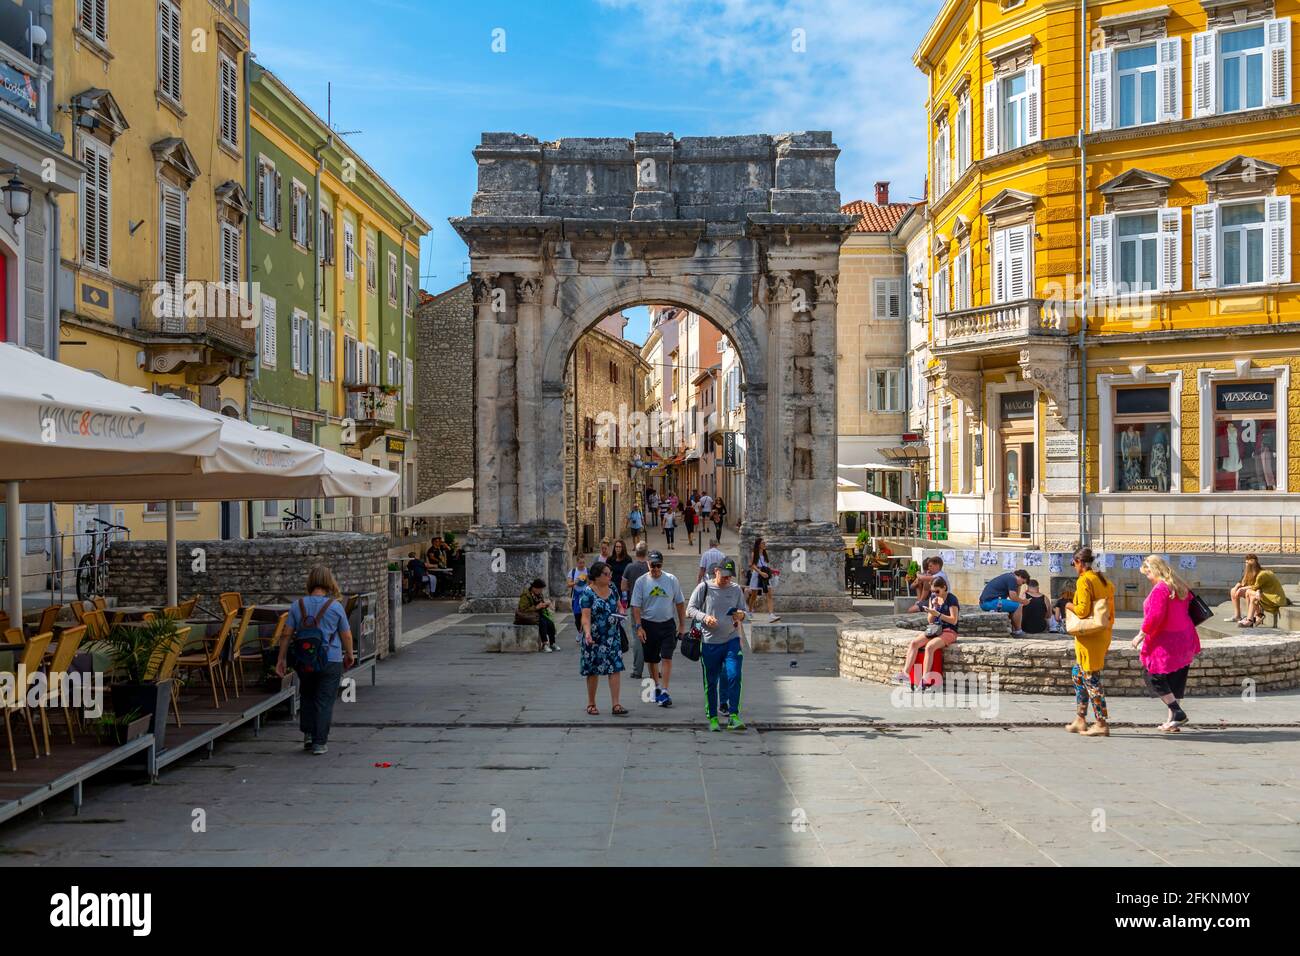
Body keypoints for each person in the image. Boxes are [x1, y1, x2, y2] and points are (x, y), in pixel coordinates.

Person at [275, 565, 354, 755]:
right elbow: (346, 635)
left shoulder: (297, 605)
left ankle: (309, 735)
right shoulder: (335, 606)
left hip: (305, 660)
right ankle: (319, 742)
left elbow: (286, 634)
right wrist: (349, 654)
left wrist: (281, 658)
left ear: (310, 582)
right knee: (324, 700)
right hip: (331, 659)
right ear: (329, 582)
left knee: (308, 695)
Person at [1131, 555, 1200, 732]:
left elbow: (1155, 616)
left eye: (1147, 573)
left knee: (1153, 675)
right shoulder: (1179, 585)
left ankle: (1177, 712)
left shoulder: (1161, 588)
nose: (1147, 577)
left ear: (1153, 570)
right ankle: (1173, 720)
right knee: (1176, 676)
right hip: (1185, 638)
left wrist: (1141, 635)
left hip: (1166, 640)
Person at [687, 559, 748, 732]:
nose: (727, 579)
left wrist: (740, 615)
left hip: (731, 639)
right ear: (716, 571)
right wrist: (705, 617)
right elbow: (689, 609)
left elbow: (745, 611)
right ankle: (713, 717)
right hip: (710, 642)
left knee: (734, 675)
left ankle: (734, 716)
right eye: (725, 575)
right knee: (711, 681)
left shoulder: (735, 589)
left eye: (730, 576)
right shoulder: (704, 588)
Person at [1065, 547, 1116, 737]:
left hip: (1090, 637)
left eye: (1074, 564)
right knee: (1078, 674)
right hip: (1101, 634)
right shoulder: (1104, 580)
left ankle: (1101, 722)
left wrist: (1067, 605)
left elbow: (1083, 611)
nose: (1074, 568)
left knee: (1091, 679)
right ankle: (1080, 718)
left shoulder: (1085, 580)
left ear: (1079, 563)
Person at [630, 549, 687, 707]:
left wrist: (682, 625)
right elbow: (635, 606)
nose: (655, 569)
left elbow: (680, 603)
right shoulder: (641, 582)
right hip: (648, 624)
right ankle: (655, 685)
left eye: (658, 565)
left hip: (667, 624)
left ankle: (665, 690)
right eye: (652, 565)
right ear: (647, 563)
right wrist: (639, 627)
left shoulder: (671, 579)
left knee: (667, 656)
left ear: (662, 565)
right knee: (652, 658)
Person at [579, 562, 627, 716]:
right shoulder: (588, 593)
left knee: (615, 668)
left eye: (610, 573)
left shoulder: (612, 588)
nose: (610, 576)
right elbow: (585, 617)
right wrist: (587, 633)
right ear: (597, 576)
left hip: (612, 636)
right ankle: (591, 703)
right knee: (593, 670)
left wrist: (621, 612)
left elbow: (619, 605)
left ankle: (616, 704)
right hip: (594, 638)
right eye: (606, 574)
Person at [892, 577, 958, 687]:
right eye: (933, 591)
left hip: (949, 630)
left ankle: (925, 679)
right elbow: (930, 620)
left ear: (944, 588)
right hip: (935, 629)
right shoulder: (933, 597)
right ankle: (905, 674)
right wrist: (933, 610)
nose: (935, 594)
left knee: (930, 647)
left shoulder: (951, 599)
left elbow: (954, 620)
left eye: (937, 591)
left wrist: (938, 614)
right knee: (914, 643)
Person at [979, 568, 1031, 636]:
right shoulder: (1012, 579)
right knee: (1019, 606)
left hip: (987, 602)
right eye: (1023, 582)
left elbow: (1014, 598)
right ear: (1020, 576)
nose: (1022, 584)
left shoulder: (1010, 577)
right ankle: (1018, 631)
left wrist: (1018, 586)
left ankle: (1014, 629)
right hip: (990, 602)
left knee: (1015, 605)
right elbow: (1013, 597)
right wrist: (1024, 601)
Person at [1240, 558, 1288, 628]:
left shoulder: (1261, 575)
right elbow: (1257, 587)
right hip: (1275, 597)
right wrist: (1257, 592)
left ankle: (1251, 619)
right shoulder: (1264, 572)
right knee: (1250, 594)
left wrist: (1243, 588)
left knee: (1250, 594)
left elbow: (1254, 587)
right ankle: (1253, 617)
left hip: (1276, 599)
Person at [517, 579, 558, 652]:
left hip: (536, 615)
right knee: (543, 623)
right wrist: (536, 607)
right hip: (527, 617)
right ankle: (544, 644)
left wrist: (546, 605)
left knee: (550, 623)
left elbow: (540, 605)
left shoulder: (539, 595)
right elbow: (522, 609)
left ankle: (552, 643)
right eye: (540, 589)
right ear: (534, 588)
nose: (541, 591)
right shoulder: (525, 596)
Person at [747, 538, 781, 622]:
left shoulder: (765, 554)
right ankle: (750, 611)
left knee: (769, 594)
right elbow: (752, 565)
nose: (764, 544)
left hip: (765, 575)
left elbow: (765, 566)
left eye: (764, 543)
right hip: (757, 575)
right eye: (763, 543)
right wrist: (760, 572)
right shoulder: (754, 553)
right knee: (754, 595)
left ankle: (771, 614)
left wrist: (773, 571)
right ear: (758, 544)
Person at [1227, 555, 1261, 622]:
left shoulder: (1259, 572)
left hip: (1256, 591)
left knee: (1247, 591)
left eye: (1248, 563)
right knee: (1233, 590)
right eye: (1246, 563)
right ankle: (1237, 616)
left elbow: (1257, 586)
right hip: (1248, 590)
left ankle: (1250, 617)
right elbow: (1242, 581)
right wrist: (1237, 587)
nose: (1246, 564)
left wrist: (1242, 588)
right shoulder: (1247, 571)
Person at [567, 554, 590, 637]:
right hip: (576, 596)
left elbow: (592, 583)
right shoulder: (573, 572)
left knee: (586, 614)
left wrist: (588, 581)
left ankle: (585, 632)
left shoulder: (587, 571)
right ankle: (580, 632)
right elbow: (568, 584)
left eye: (583, 562)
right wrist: (575, 582)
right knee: (577, 616)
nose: (582, 564)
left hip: (586, 596)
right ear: (576, 563)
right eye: (580, 563)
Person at [608, 539, 632, 607]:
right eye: (616, 547)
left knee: (623, 608)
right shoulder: (610, 559)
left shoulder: (628, 559)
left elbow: (629, 574)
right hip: (613, 586)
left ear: (623, 548)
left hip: (623, 587)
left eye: (619, 547)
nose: (617, 549)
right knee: (613, 606)